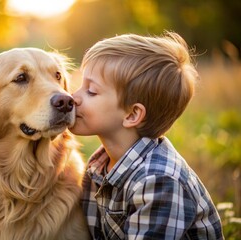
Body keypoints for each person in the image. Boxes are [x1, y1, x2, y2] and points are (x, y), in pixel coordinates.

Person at [70, 32, 224, 239]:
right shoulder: (98, 166)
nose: (73, 97)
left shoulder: (159, 181)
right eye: (80, 85)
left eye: (91, 91)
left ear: (132, 114)